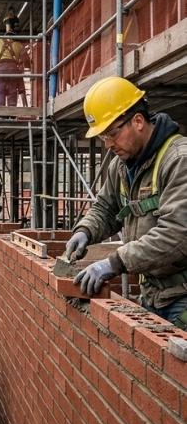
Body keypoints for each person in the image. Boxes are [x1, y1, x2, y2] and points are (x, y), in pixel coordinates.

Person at [67, 76, 187, 328]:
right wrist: (85, 230)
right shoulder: (121, 166)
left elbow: (177, 235)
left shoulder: (178, 160)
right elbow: (105, 208)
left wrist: (115, 262)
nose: (109, 144)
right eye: (103, 137)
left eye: (112, 133)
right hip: (153, 294)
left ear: (138, 121)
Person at [0, 6, 31, 107]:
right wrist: (27, 66)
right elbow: (26, 60)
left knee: (0, 92)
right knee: (12, 93)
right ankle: (11, 114)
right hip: (13, 70)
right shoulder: (18, 45)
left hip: (0, 70)